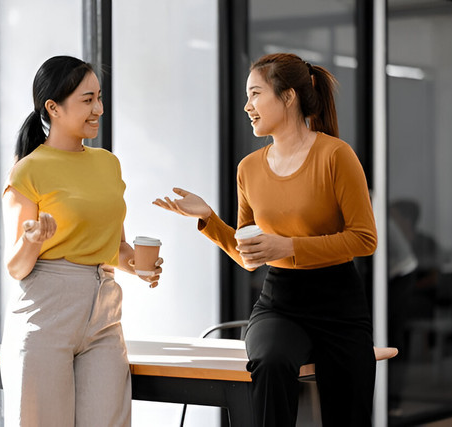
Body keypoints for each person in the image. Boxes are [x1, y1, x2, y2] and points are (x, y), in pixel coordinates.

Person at [154, 52, 377, 426]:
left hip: (339, 305)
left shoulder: (336, 156)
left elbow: (364, 239)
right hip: (280, 302)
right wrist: (209, 220)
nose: (247, 106)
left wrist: (288, 247)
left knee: (349, 411)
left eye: (255, 94)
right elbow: (250, 256)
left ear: (288, 96)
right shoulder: (249, 168)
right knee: (271, 362)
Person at [0, 55, 163, 427]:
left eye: (99, 98)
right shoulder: (28, 171)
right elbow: (17, 266)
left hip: (105, 309)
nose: (99, 109)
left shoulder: (108, 163)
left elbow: (116, 248)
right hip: (46, 310)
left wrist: (138, 265)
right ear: (53, 108)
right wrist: (32, 240)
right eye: (87, 100)